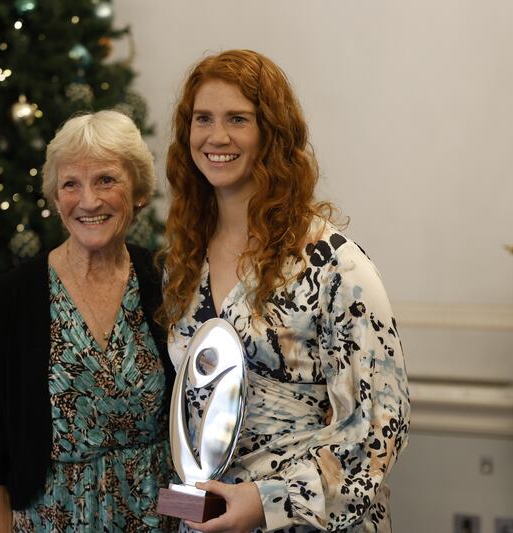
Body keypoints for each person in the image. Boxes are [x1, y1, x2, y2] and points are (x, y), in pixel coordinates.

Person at [159, 49, 410, 533]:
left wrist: (266, 502)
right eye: (202, 119)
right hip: (202, 519)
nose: (216, 136)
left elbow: (383, 421)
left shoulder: (335, 264)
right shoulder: (181, 263)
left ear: (271, 134)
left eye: (238, 119)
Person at [0, 110, 176, 532]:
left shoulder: (169, 283)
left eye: (106, 180)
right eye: (71, 184)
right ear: (55, 196)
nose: (88, 201)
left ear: (137, 190)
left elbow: (196, 434)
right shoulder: (8, 298)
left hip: (161, 521)